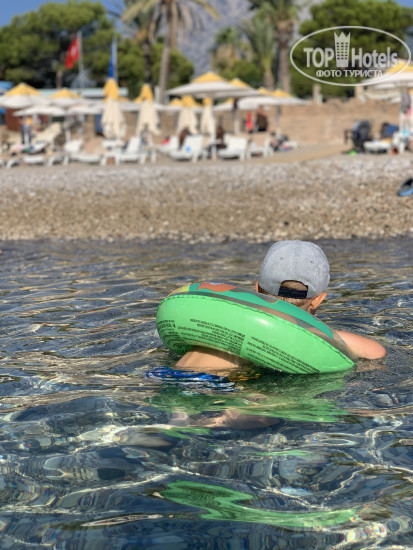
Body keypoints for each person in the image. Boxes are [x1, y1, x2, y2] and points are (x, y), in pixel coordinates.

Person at [175, 240, 386, 371]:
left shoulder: (226, 328)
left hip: (194, 377)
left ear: (256, 289)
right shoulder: (322, 339)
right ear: (318, 299)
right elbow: (376, 352)